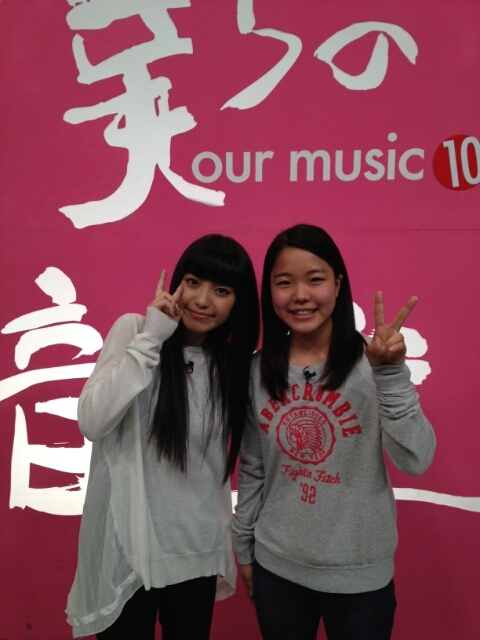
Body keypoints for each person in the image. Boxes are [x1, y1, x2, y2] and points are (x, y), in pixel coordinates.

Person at [232, 224, 435, 640]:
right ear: (269, 291)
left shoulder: (372, 363)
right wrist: (244, 548)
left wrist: (390, 376)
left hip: (358, 577)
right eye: (284, 282)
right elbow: (253, 468)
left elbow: (416, 459)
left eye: (315, 279)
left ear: (338, 285)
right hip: (277, 569)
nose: (300, 295)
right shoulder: (258, 371)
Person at [66, 235, 259, 639]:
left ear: (237, 303)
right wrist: (153, 337)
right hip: (128, 550)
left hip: (195, 551)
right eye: (193, 282)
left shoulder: (234, 366)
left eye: (221, 290)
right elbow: (92, 421)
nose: (202, 300)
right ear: (176, 283)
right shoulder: (135, 331)